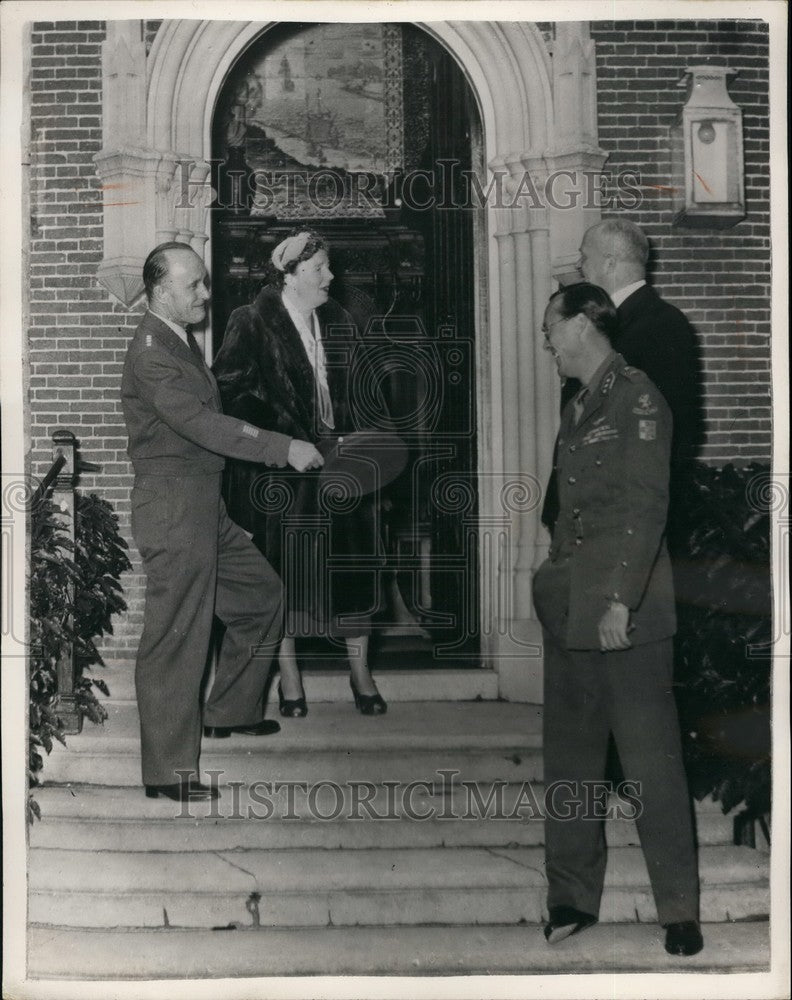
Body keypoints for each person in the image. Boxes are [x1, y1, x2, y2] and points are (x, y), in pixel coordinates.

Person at [532, 283, 703, 957]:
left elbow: (645, 508)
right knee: (570, 766)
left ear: (582, 324)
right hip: (572, 608)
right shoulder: (579, 406)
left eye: (552, 327)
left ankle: (680, 913)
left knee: (650, 766)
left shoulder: (637, 398)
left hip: (621, 615)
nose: (546, 340)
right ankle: (571, 899)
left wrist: (620, 602)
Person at [121, 242, 324, 803]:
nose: (206, 294)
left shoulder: (176, 340)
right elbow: (204, 425)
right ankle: (167, 771)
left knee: (262, 597)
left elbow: (217, 418)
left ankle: (229, 710)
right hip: (174, 510)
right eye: (195, 286)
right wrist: (283, 447)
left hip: (203, 505)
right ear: (162, 291)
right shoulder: (152, 353)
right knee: (177, 637)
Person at [212, 230, 387, 717]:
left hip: (343, 472)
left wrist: (363, 438)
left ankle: (360, 671)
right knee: (286, 577)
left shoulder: (341, 321)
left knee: (356, 571)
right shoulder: (250, 322)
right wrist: (287, 436)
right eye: (319, 270)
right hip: (284, 478)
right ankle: (290, 679)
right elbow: (228, 394)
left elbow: (368, 394)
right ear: (289, 277)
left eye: (328, 267)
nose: (331, 277)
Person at [542, 218, 702, 534]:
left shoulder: (662, 325)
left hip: (620, 521)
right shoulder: (604, 320)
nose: (579, 265)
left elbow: (678, 430)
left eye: (584, 257)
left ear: (610, 262)